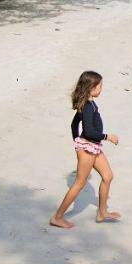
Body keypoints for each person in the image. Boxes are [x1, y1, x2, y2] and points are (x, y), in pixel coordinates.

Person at [50, 70, 121, 228]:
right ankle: (57, 217)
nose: (101, 89)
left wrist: (77, 142)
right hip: (88, 148)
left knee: (107, 176)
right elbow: (88, 131)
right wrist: (107, 136)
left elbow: (74, 124)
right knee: (79, 183)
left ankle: (102, 213)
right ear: (91, 88)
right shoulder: (88, 106)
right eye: (100, 86)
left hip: (92, 147)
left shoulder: (88, 103)